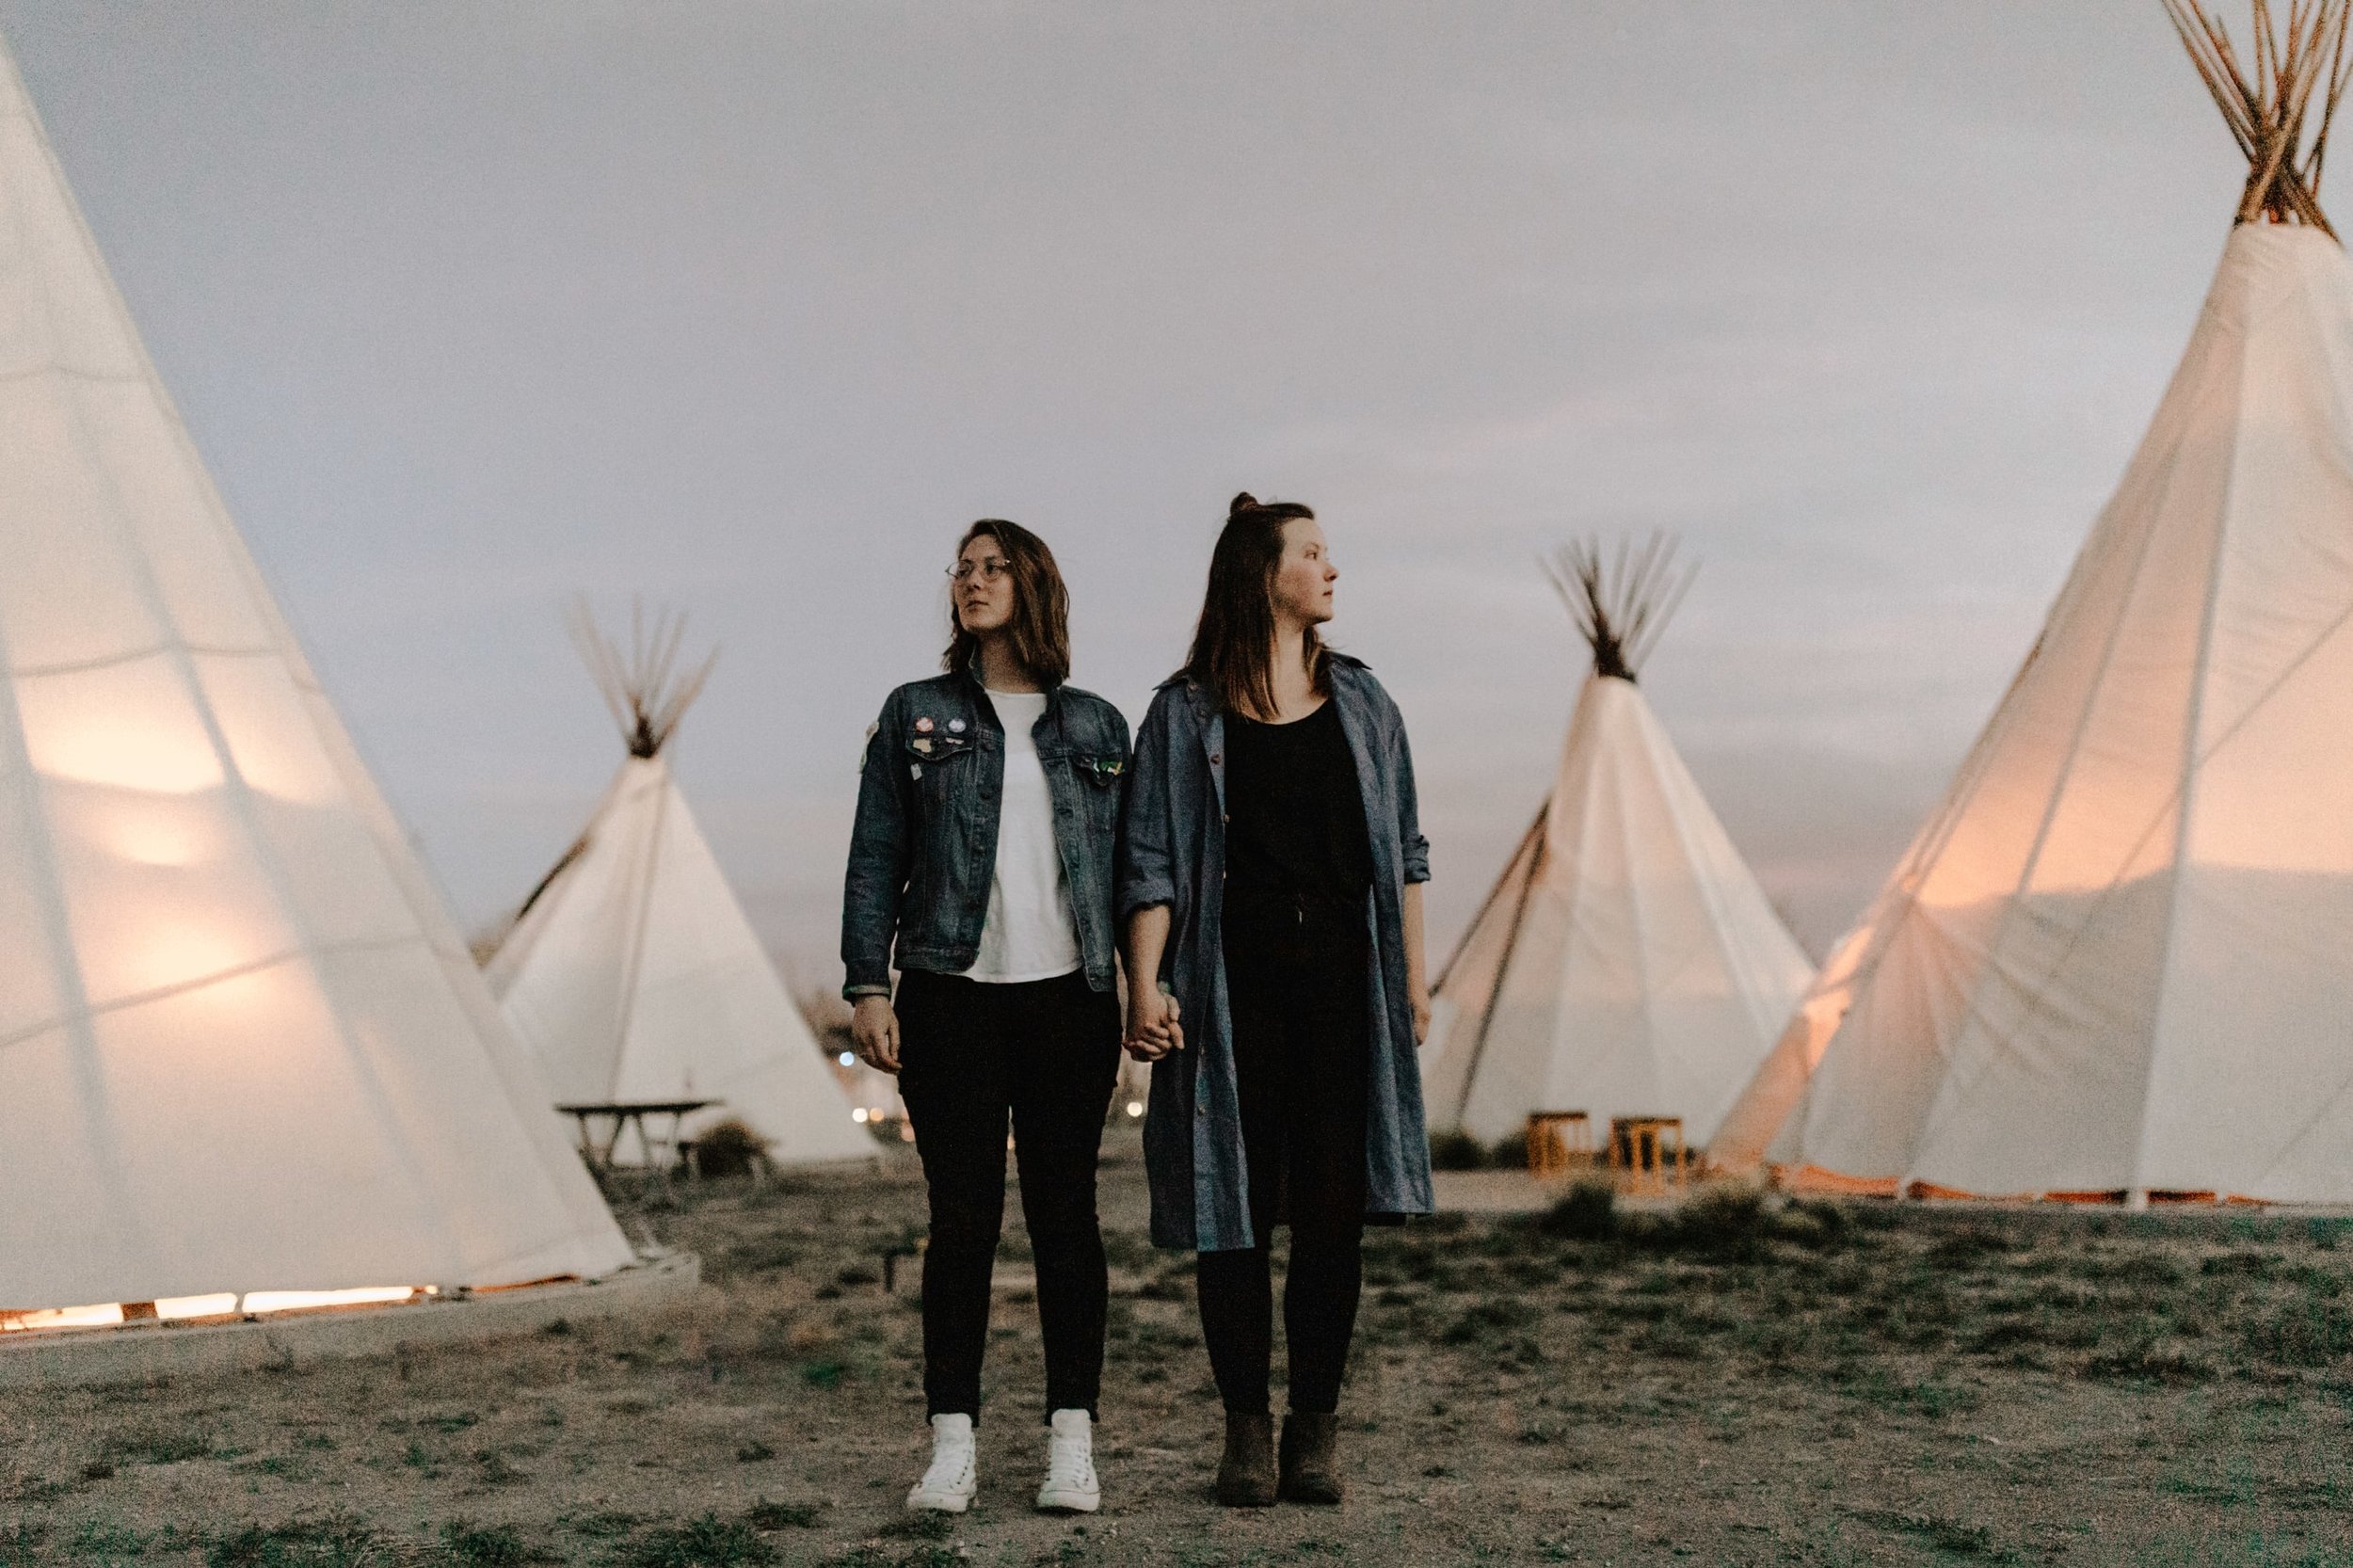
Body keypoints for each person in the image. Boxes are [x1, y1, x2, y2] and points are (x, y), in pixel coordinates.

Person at [1118, 492, 1434, 1508]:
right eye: (1313, 552)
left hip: (1346, 983)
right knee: (1234, 1214)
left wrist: (1411, 981)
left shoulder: (1367, 705)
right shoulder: (1183, 712)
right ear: (1265, 575)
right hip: (1231, 989)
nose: (1333, 570)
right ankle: (1245, 1429)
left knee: (1333, 1216)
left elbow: (1408, 855)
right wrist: (1145, 983)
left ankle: (1315, 1430)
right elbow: (1152, 862)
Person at [841, 520, 1131, 1515]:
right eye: (961, 569)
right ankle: (951, 1445)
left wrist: (1145, 983)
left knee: (1065, 1220)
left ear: (1032, 584)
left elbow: (1133, 876)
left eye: (992, 566)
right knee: (961, 1222)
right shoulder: (915, 714)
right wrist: (866, 983)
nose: (970, 581)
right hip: (950, 992)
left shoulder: (1097, 726)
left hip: (1070, 999)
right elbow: (877, 855)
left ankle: (1070, 1444)